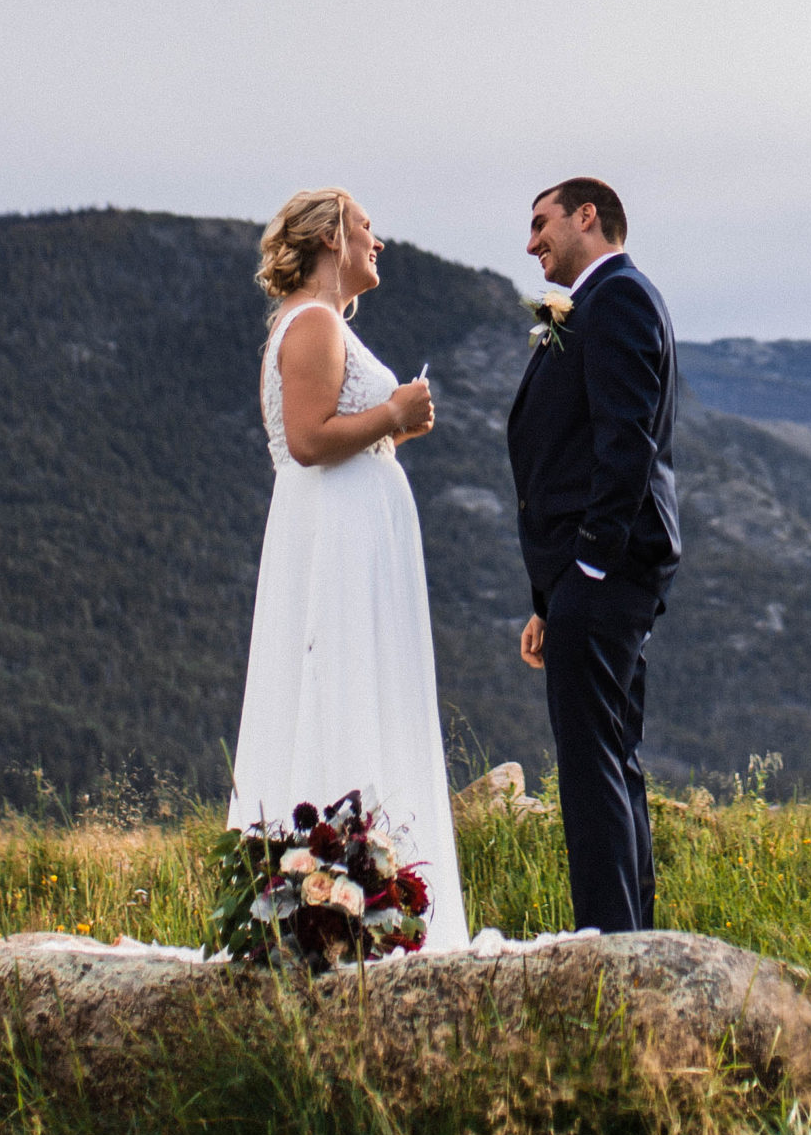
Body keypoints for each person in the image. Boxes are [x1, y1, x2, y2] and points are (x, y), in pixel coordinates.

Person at [228, 188, 469, 951]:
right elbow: (307, 440)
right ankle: (344, 895)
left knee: (361, 684)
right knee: (343, 683)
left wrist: (392, 433)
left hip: (350, 537)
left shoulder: (319, 323)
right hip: (333, 543)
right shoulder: (315, 323)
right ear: (333, 236)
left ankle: (363, 891)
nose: (378, 242)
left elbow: (339, 438)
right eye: (367, 229)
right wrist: (393, 414)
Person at [506, 177, 679, 933]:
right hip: (582, 582)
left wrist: (588, 569)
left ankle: (609, 942)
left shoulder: (619, 299)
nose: (530, 241)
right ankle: (629, 938)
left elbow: (625, 444)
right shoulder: (586, 306)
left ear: (586, 217)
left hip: (605, 573)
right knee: (609, 757)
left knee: (589, 766)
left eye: (540, 223)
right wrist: (549, 599)